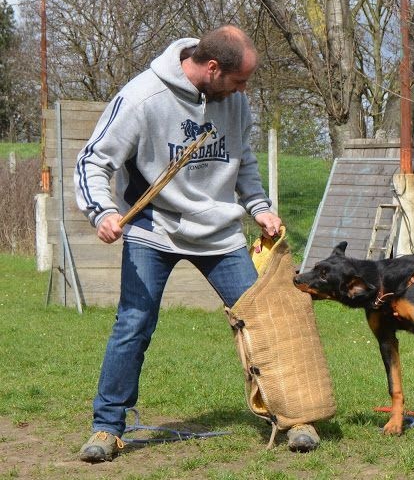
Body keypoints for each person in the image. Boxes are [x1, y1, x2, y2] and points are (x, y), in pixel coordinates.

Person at [74, 25, 320, 462]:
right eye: (240, 80)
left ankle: (294, 416)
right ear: (212, 68)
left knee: (265, 318)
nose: (245, 90)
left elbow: (243, 161)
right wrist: (103, 211)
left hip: (220, 233)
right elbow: (93, 159)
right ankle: (107, 427)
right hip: (154, 229)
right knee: (134, 323)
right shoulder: (142, 97)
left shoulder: (234, 101)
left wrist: (259, 207)